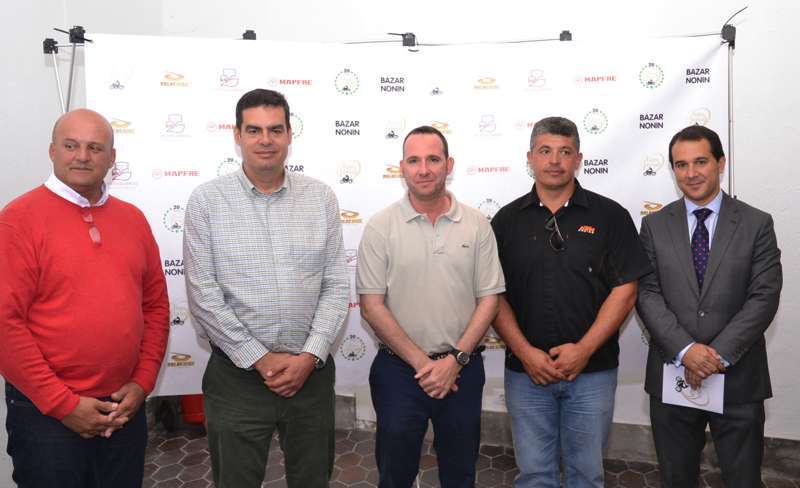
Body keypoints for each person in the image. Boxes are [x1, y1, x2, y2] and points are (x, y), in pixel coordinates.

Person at [183, 88, 349, 488]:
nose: (265, 140)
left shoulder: (321, 198)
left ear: (290, 134)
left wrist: (309, 356)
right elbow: (203, 294)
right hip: (237, 379)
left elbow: (335, 285)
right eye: (254, 130)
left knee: (313, 481)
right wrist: (259, 358)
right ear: (237, 135)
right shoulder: (207, 201)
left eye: (275, 130)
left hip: (309, 377)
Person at [0, 109, 170, 488]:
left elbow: (156, 307)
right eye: (71, 146)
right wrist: (64, 405)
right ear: (52, 151)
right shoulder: (18, 219)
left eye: (95, 148)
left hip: (123, 408)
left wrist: (142, 382)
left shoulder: (133, 219)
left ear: (112, 158)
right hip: (46, 416)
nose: (82, 156)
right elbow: (5, 325)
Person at [491, 116, 651, 487]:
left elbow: (626, 289)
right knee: (534, 475)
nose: (554, 161)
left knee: (586, 475)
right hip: (526, 373)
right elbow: (492, 295)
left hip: (592, 372)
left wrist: (584, 350)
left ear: (578, 159)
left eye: (565, 152)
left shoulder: (610, 216)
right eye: (545, 151)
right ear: (530, 158)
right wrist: (525, 353)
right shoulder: (506, 221)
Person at [357, 125, 505, 488]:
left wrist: (454, 361)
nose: (423, 169)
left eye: (433, 159)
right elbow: (371, 306)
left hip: (462, 370)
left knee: (460, 474)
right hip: (399, 371)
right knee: (395, 475)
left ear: (449, 165)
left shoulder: (477, 225)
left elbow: (490, 299)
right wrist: (425, 366)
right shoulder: (380, 227)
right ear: (402, 168)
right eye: (414, 160)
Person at [636, 125, 782, 487]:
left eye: (700, 161)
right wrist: (686, 351)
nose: (691, 173)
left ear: (721, 163)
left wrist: (714, 356)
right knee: (676, 478)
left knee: (743, 479)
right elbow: (647, 293)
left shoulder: (756, 223)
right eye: (681, 164)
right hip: (673, 375)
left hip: (738, 377)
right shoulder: (654, 225)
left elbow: (764, 296)